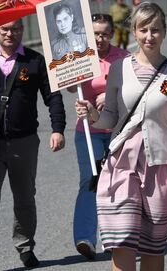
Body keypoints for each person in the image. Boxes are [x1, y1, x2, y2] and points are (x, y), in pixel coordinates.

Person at [75, 2, 167, 271]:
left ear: (164, 32)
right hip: (122, 165)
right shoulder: (119, 68)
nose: (149, 36)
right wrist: (93, 114)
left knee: (153, 248)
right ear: (133, 32)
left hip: (160, 167)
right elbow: (112, 118)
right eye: (143, 30)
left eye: (155, 30)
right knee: (123, 242)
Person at [0, 19, 66, 271]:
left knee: (25, 198)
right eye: (4, 29)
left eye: (16, 28)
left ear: (22, 29)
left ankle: (25, 247)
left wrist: (58, 129)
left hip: (24, 142)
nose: (10, 33)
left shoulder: (35, 61)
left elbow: (52, 96)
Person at [66, 13, 129, 260]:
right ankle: (85, 238)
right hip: (88, 132)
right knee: (91, 182)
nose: (99, 38)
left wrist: (112, 95)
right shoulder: (81, 57)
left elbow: (135, 90)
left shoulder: (123, 58)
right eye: (95, 34)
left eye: (104, 33)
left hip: (116, 131)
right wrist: (70, 70)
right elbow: (71, 87)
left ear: (111, 34)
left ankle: (113, 237)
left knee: (116, 185)